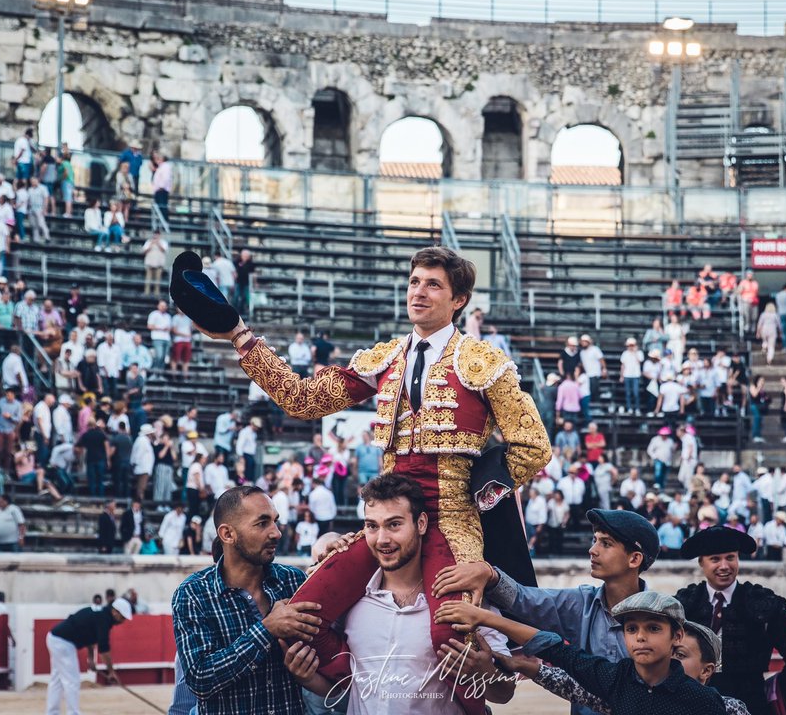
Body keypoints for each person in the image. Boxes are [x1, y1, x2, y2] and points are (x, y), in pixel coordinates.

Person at [172, 245, 549, 712]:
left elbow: (533, 444)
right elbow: (303, 400)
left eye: (433, 284)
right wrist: (240, 337)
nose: (419, 292)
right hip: (387, 519)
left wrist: (477, 489)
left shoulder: (483, 363)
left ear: (458, 300)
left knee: (446, 637)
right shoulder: (384, 359)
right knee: (299, 612)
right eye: (414, 281)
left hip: (452, 522)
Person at [281, 474, 516, 711]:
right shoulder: (350, 600)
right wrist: (307, 679)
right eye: (372, 526)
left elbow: (504, 693)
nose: (382, 539)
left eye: (394, 524)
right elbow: (350, 689)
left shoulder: (466, 597)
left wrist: (488, 673)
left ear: (421, 524)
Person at [432, 509, 660, 715]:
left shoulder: (663, 619)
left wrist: (486, 618)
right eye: (594, 540)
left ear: (634, 559)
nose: (592, 550)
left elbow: (620, 695)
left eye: (606, 544)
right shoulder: (581, 602)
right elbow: (523, 599)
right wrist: (489, 574)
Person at [434, 590, 726, 715]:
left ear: (676, 636)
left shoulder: (703, 699)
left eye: (653, 629)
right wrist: (484, 618)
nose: (640, 638)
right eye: (632, 629)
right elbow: (555, 649)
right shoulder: (614, 677)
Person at [172, 486, 315, 715]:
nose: (276, 533)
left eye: (275, 521)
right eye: (262, 523)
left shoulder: (293, 580)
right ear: (228, 534)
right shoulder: (193, 593)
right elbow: (200, 678)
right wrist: (267, 629)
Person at [675, 525, 786, 715]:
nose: (724, 566)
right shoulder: (685, 604)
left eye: (730, 557)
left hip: (751, 705)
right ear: (701, 562)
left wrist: (774, 695)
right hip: (692, 706)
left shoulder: (762, 603)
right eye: (715, 559)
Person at [46, 597, 133, 715]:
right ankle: (73, 713)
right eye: (122, 617)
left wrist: (91, 658)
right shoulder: (104, 619)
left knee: (57, 680)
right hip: (63, 643)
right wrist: (111, 671)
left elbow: (90, 635)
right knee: (72, 680)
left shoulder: (101, 614)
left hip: (56, 638)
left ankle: (52, 712)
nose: (122, 621)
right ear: (115, 612)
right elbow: (104, 649)